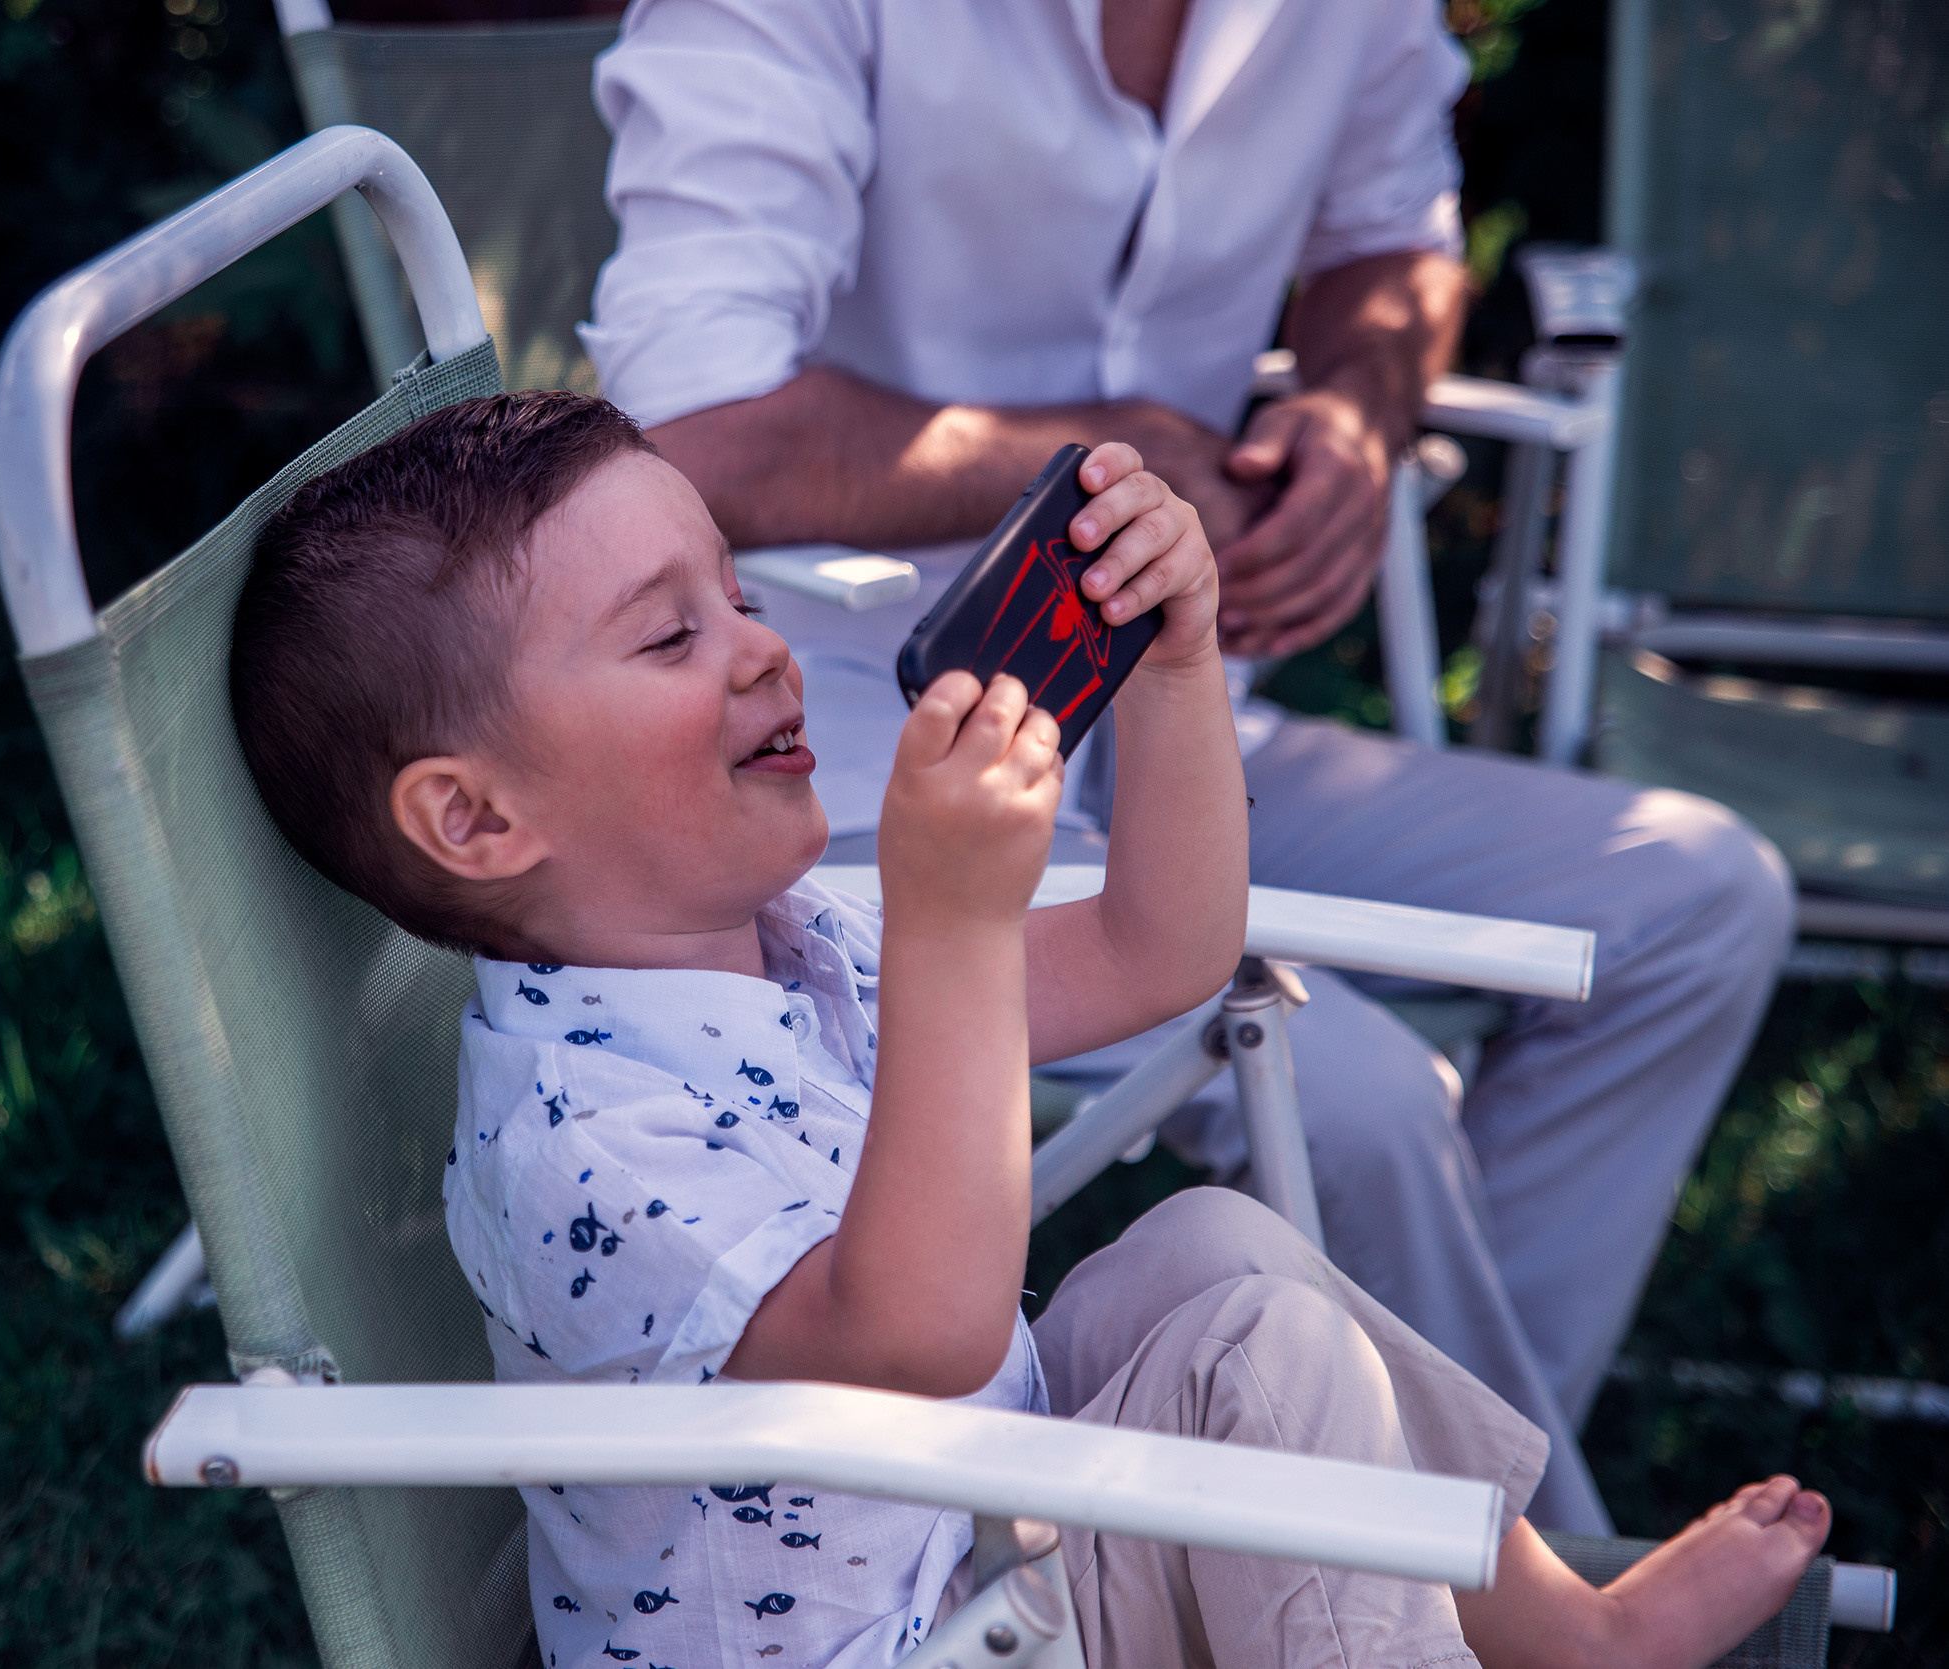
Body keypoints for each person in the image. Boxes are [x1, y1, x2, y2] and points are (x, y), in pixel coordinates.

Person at [226, 390, 1829, 1669]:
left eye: (738, 591)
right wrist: (956, 923)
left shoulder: (788, 938)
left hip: (982, 1535)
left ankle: (1575, 1638)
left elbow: (1158, 946)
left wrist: (1175, 663)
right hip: (916, 1634)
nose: (764, 643)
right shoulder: (580, 1143)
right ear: (476, 819)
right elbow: (920, 1337)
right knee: (1262, 1358)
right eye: (671, 635)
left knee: (1216, 1250)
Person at [577, 0, 1797, 1533]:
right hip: (860, 759)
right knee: (1360, 1100)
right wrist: (1117, 452)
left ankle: (1425, 1527)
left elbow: (1396, 241)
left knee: (1698, 899)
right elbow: (689, 427)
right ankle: (1529, 1570)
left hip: (1172, 717)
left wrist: (1356, 411)